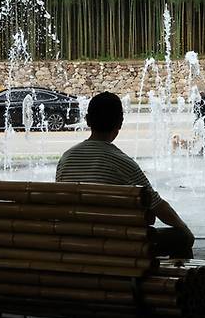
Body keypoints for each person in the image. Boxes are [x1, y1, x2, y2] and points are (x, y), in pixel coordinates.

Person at [56, 91, 194, 258]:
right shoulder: (122, 163)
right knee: (181, 238)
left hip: (74, 243)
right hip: (118, 246)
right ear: (120, 122)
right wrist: (184, 229)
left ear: (87, 120)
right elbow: (158, 206)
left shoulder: (66, 158)